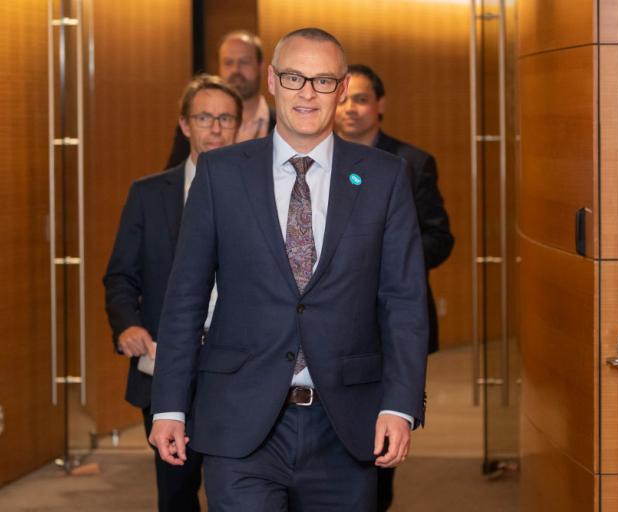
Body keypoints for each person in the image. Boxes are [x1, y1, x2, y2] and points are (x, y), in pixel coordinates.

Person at [149, 28, 429, 512]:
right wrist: (169, 405)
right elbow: (185, 298)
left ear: (341, 90)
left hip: (344, 425)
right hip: (239, 421)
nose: (307, 92)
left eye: (323, 81)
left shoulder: (384, 177)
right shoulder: (221, 173)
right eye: (295, 77)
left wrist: (399, 404)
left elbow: (403, 300)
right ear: (272, 83)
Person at [103, 74, 243, 512]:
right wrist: (128, 323)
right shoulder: (148, 194)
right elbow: (121, 275)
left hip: (239, 369)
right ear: (185, 125)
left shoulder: (262, 195)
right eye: (205, 117)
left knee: (239, 486)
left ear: (239, 126)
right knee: (177, 493)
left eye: (225, 118)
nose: (216, 128)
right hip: (169, 367)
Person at [335, 64, 454, 511]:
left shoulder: (412, 163)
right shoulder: (317, 162)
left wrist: (386, 260)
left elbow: (440, 238)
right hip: (334, 322)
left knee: (381, 428)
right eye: (344, 98)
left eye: (361, 99)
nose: (350, 108)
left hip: (388, 321)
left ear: (380, 106)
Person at [165, 30, 275, 168]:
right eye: (228, 62)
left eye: (244, 62)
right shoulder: (195, 123)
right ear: (219, 67)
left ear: (261, 66)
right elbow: (174, 180)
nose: (236, 70)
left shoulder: (283, 125)